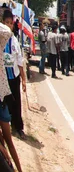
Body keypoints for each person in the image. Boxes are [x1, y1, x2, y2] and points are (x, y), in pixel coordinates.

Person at [0, 17, 22, 172]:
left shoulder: (4, 43)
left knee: (8, 141)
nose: (9, 26)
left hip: (2, 98)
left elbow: (6, 31)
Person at [2, 10, 26, 140]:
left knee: (16, 103)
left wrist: (23, 79)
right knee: (4, 103)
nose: (9, 25)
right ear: (2, 22)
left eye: (11, 23)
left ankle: (18, 128)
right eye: (6, 22)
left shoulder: (14, 41)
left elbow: (19, 61)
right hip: (2, 78)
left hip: (13, 78)